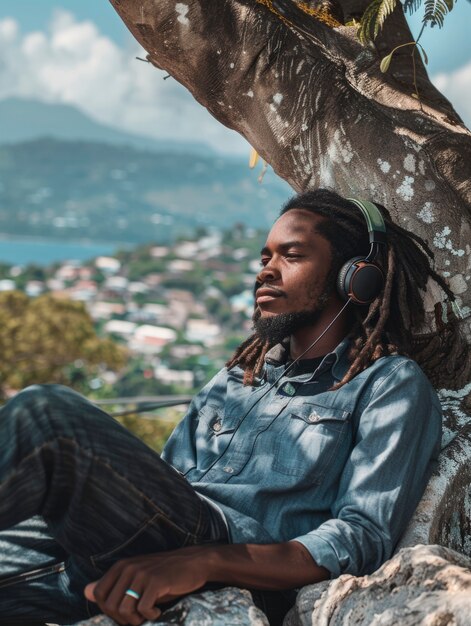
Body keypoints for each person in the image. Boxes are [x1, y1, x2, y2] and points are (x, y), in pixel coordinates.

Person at [0, 189, 466, 626]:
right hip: (155, 539)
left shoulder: (388, 385)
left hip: (234, 556)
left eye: (292, 255)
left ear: (355, 278)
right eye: (265, 257)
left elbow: (359, 536)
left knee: (46, 414)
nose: (266, 269)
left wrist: (204, 561)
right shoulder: (236, 377)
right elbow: (160, 485)